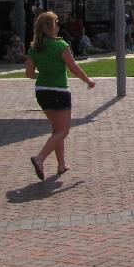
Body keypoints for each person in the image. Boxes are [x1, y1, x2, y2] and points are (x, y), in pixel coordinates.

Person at [24, 11, 96, 180]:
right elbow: (73, 67)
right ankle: (40, 158)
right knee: (63, 131)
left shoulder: (34, 48)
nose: (58, 26)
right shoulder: (60, 45)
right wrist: (88, 80)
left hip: (42, 91)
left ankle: (61, 164)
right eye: (56, 23)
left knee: (57, 129)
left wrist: (45, 74)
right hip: (59, 91)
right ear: (51, 27)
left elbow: (29, 74)